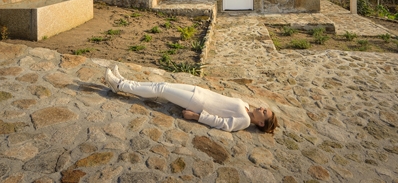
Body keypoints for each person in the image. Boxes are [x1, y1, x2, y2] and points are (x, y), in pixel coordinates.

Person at [104, 66, 278, 134]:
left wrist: (196, 116)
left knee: (161, 90)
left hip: (196, 102)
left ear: (261, 123)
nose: (262, 108)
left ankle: (119, 85)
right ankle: (125, 82)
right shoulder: (246, 107)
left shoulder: (245, 121)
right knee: (162, 84)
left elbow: (221, 123)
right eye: (264, 108)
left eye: (264, 112)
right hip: (198, 92)